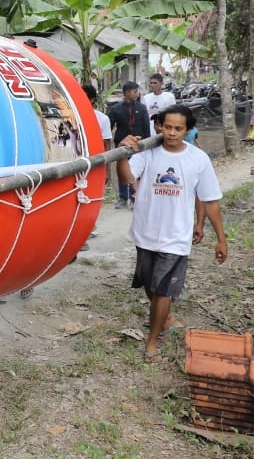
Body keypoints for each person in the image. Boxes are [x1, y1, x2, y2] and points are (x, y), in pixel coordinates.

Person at [116, 106, 228, 363]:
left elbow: (210, 200)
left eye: (178, 128)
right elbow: (126, 179)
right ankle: (165, 319)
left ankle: (152, 342)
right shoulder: (148, 153)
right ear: (160, 127)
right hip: (145, 231)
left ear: (187, 130)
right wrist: (123, 154)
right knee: (149, 286)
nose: (172, 133)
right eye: (168, 127)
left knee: (163, 290)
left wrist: (221, 239)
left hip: (176, 236)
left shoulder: (198, 159)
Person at [106, 81, 150, 208]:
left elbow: (146, 126)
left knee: (137, 171)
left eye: (137, 91)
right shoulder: (115, 109)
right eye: (134, 91)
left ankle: (134, 196)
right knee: (122, 171)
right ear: (126, 93)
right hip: (123, 145)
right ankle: (123, 198)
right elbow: (108, 128)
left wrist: (147, 144)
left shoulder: (141, 108)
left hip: (139, 145)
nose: (137, 94)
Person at [82, 83, 113, 242]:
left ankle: (90, 226)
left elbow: (106, 145)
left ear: (92, 99)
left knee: (92, 195)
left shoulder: (102, 118)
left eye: (84, 96)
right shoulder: (71, 116)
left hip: (95, 163)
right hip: (76, 164)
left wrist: (106, 169)